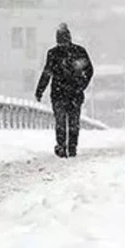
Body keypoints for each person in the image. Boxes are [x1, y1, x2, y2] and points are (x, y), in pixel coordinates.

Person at [35, 23, 94, 158]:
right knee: (73, 122)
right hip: (74, 93)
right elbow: (89, 70)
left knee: (60, 121)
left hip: (59, 93)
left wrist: (40, 90)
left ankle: (62, 146)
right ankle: (72, 147)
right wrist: (81, 85)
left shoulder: (53, 54)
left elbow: (47, 73)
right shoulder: (79, 52)